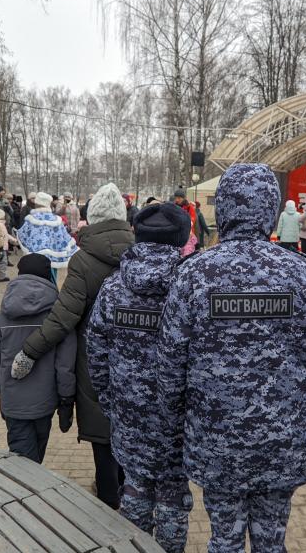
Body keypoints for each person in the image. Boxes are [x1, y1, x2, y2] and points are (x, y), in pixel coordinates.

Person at [155, 164, 306, 553]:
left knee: (224, 538)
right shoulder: (303, 273)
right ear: (270, 210)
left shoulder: (194, 274)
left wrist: (177, 420)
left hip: (215, 437)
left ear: (222, 210)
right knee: (272, 538)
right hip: (285, 436)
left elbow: (171, 361)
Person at [12, 182, 134, 509]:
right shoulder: (140, 254)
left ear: (92, 218)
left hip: (93, 360)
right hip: (136, 360)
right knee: (127, 427)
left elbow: (64, 316)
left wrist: (30, 349)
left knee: (101, 431)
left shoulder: (84, 260)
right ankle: (127, 491)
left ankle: (108, 497)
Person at [87, 203, 193, 552]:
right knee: (173, 497)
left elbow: (96, 349)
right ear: (180, 238)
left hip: (128, 411)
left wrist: (109, 399)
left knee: (134, 489)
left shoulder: (114, 287)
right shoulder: (189, 287)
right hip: (178, 418)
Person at [0, 254, 77, 463]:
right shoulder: (57, 316)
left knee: (22, 458)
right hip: (44, 400)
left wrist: (0, 389)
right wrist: (66, 399)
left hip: (13, 399)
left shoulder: (3, 315)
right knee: (34, 458)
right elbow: (65, 364)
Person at [16, 192, 78, 282]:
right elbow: (65, 239)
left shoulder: (31, 219)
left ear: (37, 203)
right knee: (51, 279)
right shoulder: (57, 220)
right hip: (53, 258)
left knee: (36, 280)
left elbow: (22, 235)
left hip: (35, 257)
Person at [0, 207, 18, 282]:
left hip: (3, 246)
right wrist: (14, 240)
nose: (4, 216)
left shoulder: (0, 224)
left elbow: (5, 235)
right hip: (1, 246)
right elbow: (5, 235)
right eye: (2, 215)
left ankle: (2, 276)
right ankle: (1, 276)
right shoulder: (0, 224)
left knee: (2, 262)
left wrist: (13, 240)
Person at [172, 188, 197, 256]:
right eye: (176, 198)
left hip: (188, 234)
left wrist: (184, 223)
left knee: (187, 251)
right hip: (176, 234)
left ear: (183, 198)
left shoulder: (189, 208)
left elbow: (192, 219)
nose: (177, 200)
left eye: (179, 198)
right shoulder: (173, 207)